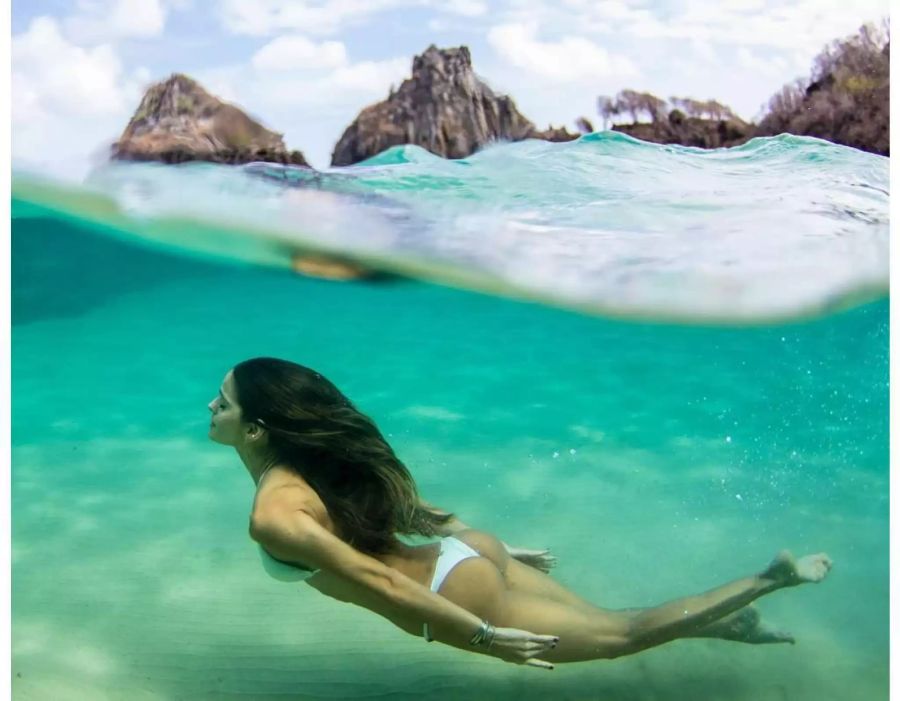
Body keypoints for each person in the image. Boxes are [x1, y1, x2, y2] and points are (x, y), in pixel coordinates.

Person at [208, 357, 832, 670]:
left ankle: (771, 577)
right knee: (616, 623)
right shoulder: (319, 461)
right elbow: (407, 509)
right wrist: (490, 547)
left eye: (225, 402)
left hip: (453, 597)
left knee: (622, 637)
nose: (212, 405)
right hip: (462, 558)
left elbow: (381, 581)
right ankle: (731, 623)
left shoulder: (275, 513)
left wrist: (482, 635)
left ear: (257, 430)